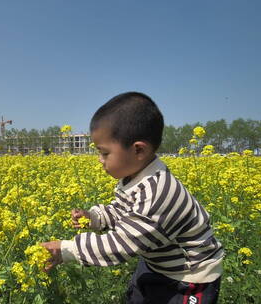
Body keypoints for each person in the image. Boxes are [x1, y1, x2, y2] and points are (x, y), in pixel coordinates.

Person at [41, 92, 224, 304]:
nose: (100, 160)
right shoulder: (135, 178)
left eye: (105, 153)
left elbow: (121, 243)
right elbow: (121, 210)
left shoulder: (159, 192)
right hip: (156, 262)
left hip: (189, 278)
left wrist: (65, 250)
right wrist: (93, 217)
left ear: (138, 150)